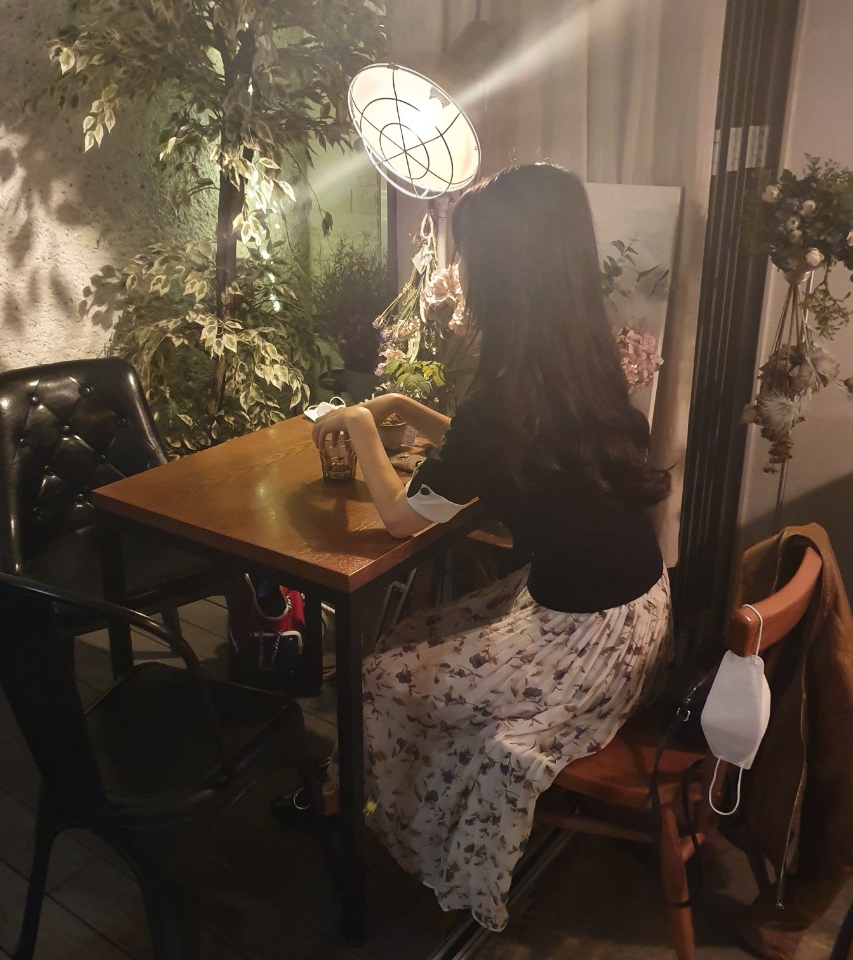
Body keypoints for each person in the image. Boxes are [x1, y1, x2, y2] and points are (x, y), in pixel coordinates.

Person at [274, 162, 674, 932]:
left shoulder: (507, 396)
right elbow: (486, 445)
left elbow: (401, 519)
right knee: (416, 632)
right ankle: (385, 786)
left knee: (380, 673)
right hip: (637, 612)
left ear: (504, 271)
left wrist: (356, 421)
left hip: (579, 641)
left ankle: (370, 814)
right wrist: (401, 406)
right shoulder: (581, 361)